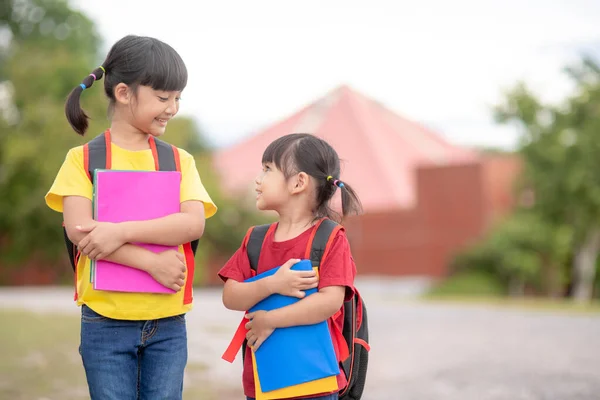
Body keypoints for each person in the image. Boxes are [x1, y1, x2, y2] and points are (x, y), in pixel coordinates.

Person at [45, 35, 217, 400]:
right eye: (163, 97)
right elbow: (82, 232)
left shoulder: (179, 160)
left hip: (168, 323)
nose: (173, 108)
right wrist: (150, 263)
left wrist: (119, 231)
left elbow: (192, 223)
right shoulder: (82, 159)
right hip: (104, 321)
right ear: (124, 93)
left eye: (178, 98)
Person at [218, 133, 362, 400]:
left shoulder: (330, 238)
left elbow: (329, 303)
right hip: (263, 383)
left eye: (267, 169)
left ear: (298, 182)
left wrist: (270, 320)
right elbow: (231, 296)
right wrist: (273, 284)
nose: (258, 179)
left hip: (313, 384)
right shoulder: (255, 239)